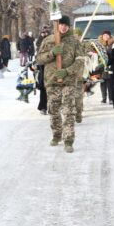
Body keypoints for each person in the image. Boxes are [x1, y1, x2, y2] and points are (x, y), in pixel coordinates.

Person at [35, 15, 86, 152]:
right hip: (52, 81)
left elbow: (80, 61)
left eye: (66, 25)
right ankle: (56, 135)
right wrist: (51, 53)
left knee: (69, 111)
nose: (63, 27)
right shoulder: (48, 40)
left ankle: (68, 141)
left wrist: (67, 71)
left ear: (69, 27)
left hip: (68, 81)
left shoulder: (74, 42)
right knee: (54, 110)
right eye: (61, 24)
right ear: (57, 26)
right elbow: (39, 59)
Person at [35, 26, 50, 114]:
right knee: (43, 87)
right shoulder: (40, 41)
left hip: (51, 65)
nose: (45, 33)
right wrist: (41, 37)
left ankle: (53, 106)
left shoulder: (52, 39)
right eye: (43, 32)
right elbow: (38, 47)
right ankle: (43, 107)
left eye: (46, 32)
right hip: (42, 66)